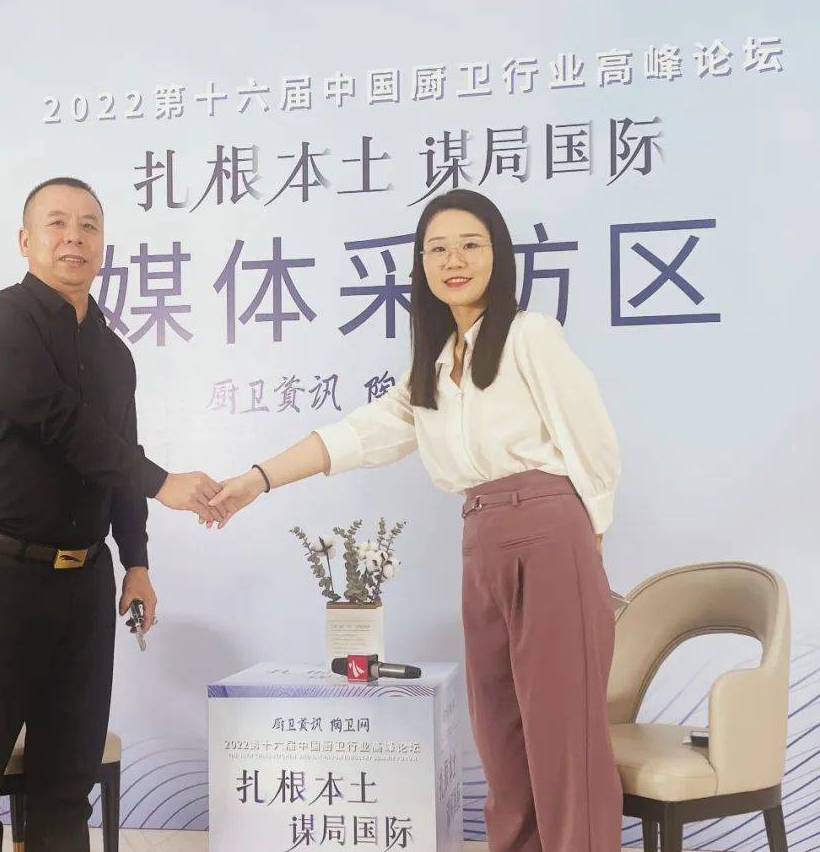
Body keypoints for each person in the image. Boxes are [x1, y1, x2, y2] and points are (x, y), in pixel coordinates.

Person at [209, 189, 624, 851]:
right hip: (481, 539)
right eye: (438, 249)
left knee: (563, 739)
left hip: (549, 532)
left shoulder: (530, 336)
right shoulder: (433, 366)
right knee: (502, 738)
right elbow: (358, 435)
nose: (454, 260)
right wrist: (258, 479)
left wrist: (588, 542)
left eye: (470, 245)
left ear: (498, 254)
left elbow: (593, 441)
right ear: (421, 265)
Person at [0, 177, 225, 851]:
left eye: (89, 225)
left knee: (66, 791)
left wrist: (137, 563)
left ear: (103, 244)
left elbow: (118, 458)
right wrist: (162, 483)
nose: (75, 237)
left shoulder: (114, 353)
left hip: (84, 585)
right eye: (58, 223)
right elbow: (60, 423)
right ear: (26, 240)